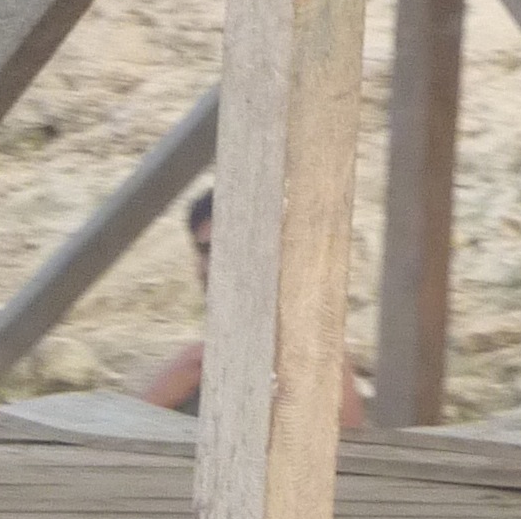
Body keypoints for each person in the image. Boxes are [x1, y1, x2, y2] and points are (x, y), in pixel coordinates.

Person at [138, 185, 367, 432]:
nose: (214, 265)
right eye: (206, 251)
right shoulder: (198, 362)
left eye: (228, 248)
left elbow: (346, 445)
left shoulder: (316, 351)